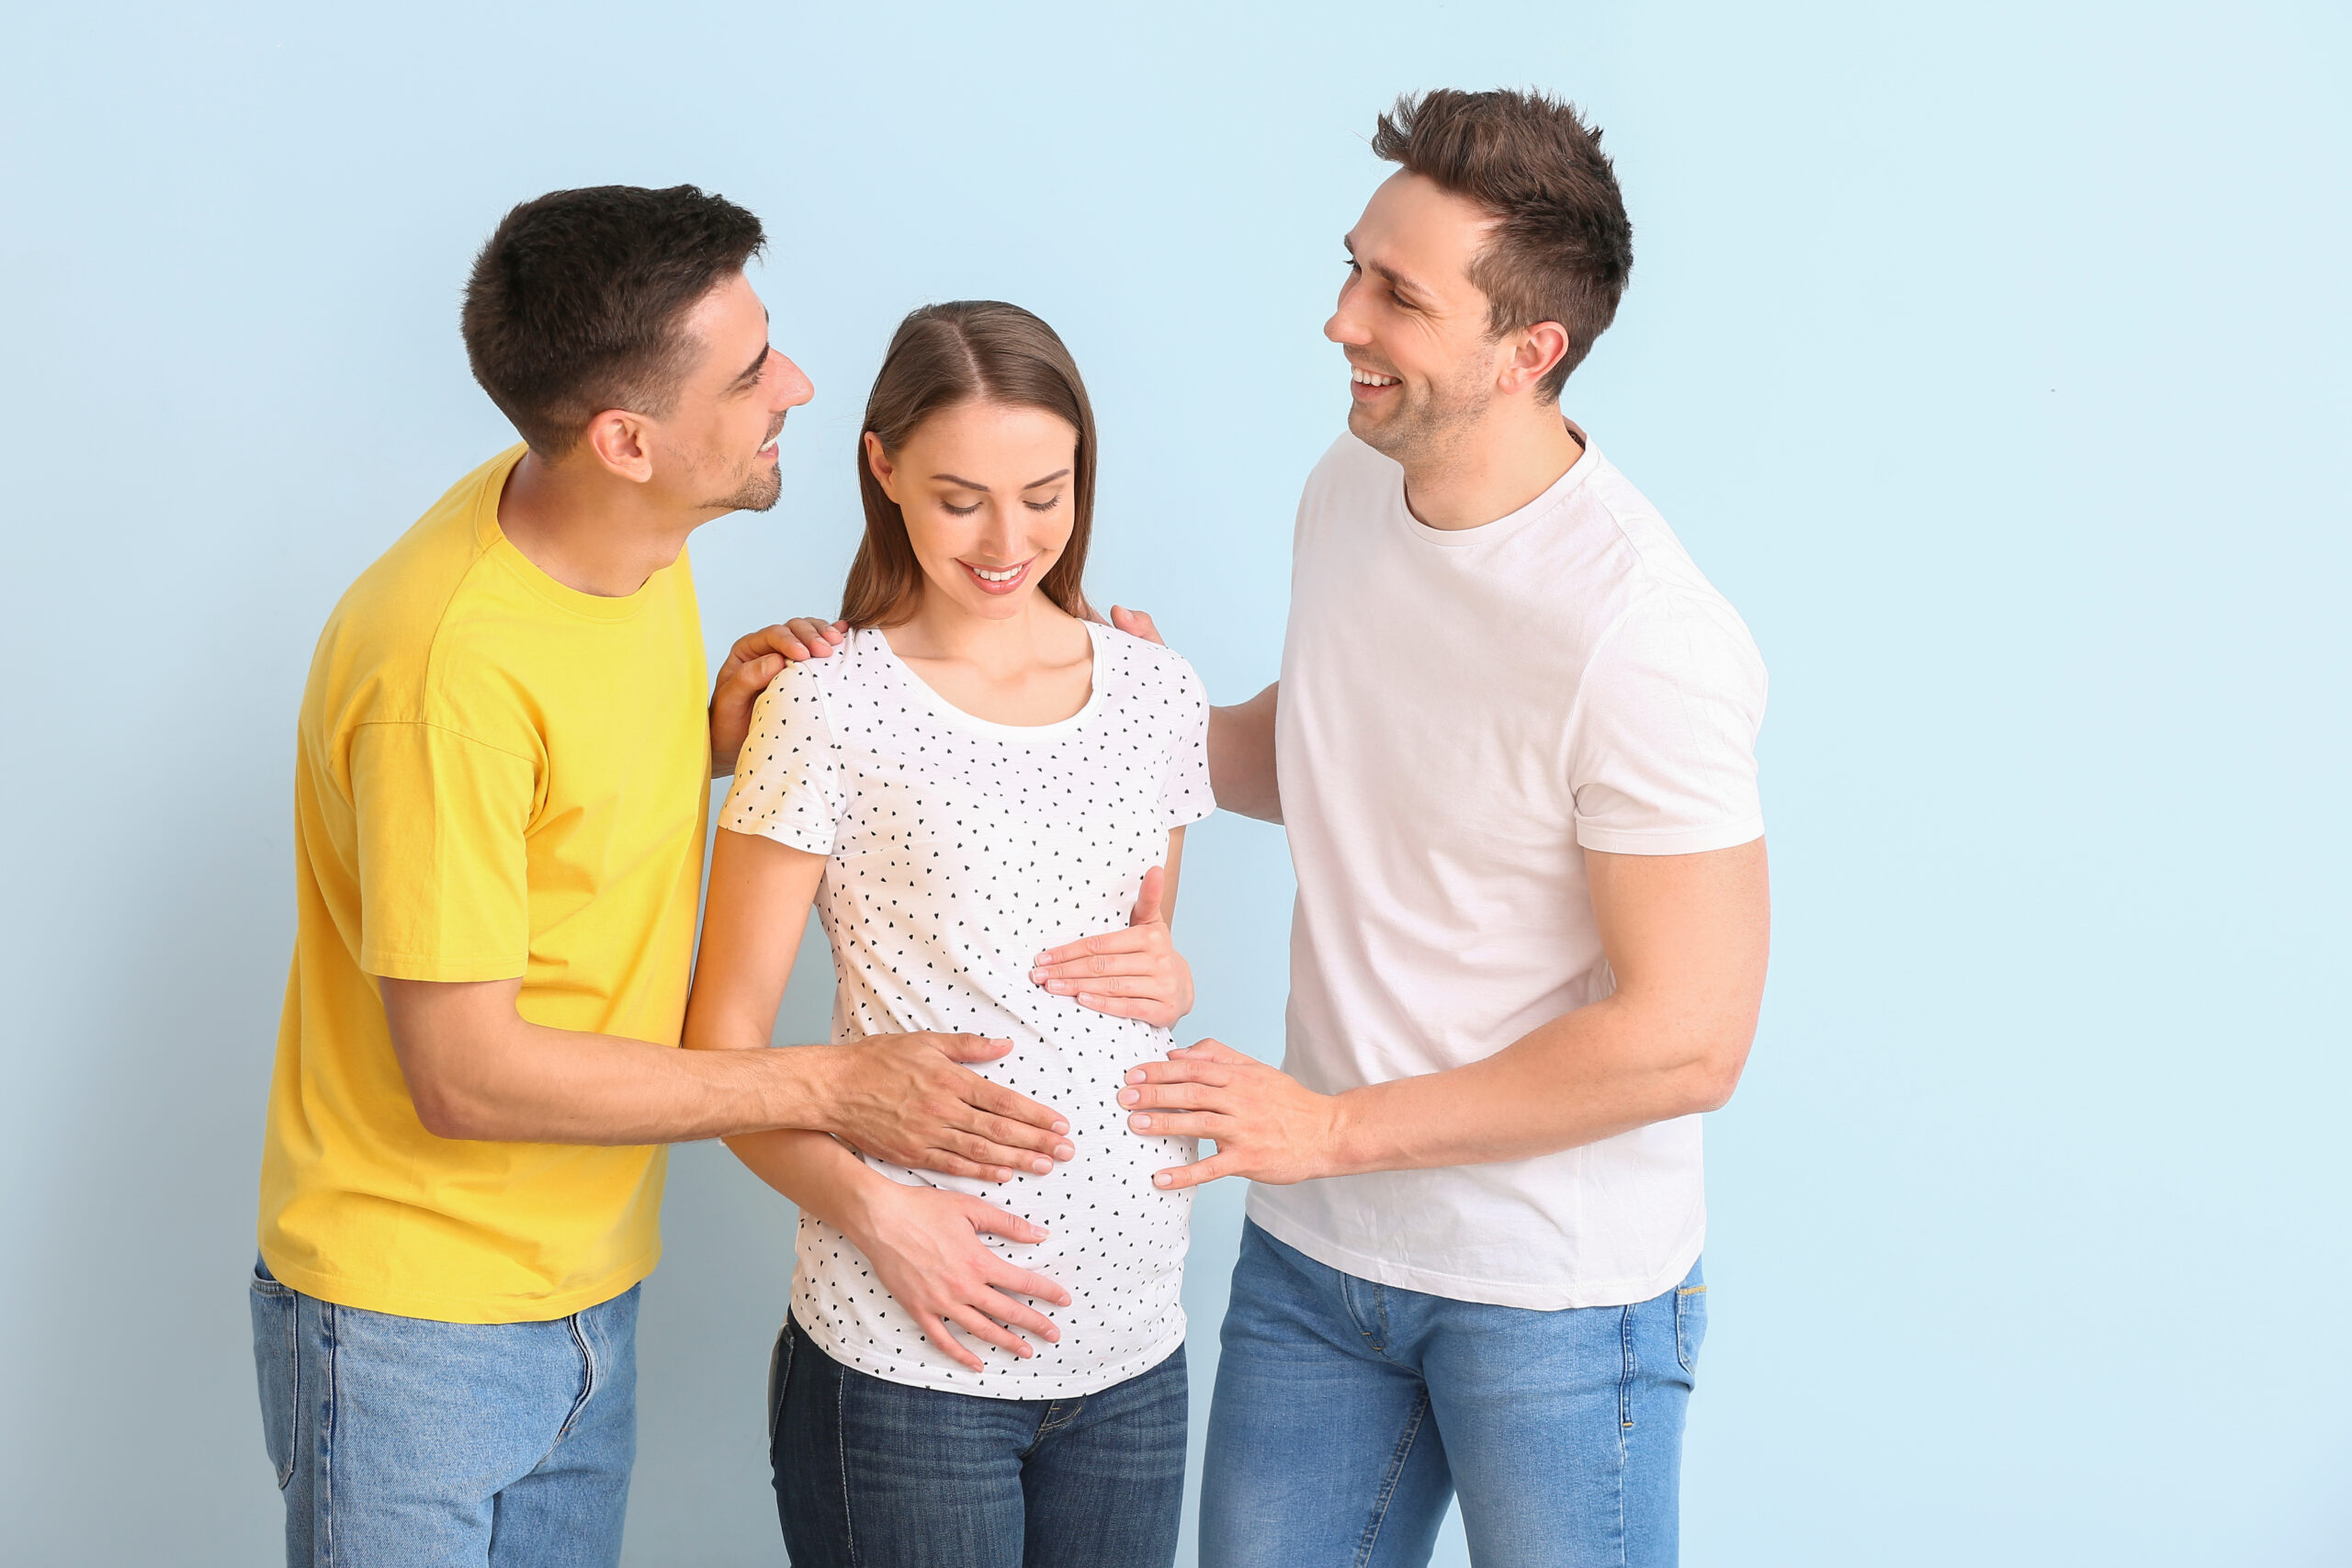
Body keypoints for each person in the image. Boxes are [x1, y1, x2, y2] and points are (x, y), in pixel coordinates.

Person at [249, 187, 1075, 1568]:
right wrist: (829, 1084)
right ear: (625, 439)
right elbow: (466, 1073)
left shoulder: (622, 543)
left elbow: (531, 814)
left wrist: (701, 743)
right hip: (415, 1329)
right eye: (752, 373)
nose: (796, 387)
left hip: (587, 1289)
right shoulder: (446, 669)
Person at [1117, 89, 1771, 1567]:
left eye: (1396, 295)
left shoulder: (1641, 635)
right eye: (1352, 267)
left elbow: (1690, 1038)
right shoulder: (1352, 489)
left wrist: (1329, 1128)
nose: (1341, 319)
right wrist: (1099, 700)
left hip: (1549, 1290)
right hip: (1318, 1264)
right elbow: (1326, 755)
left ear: (1529, 350)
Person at [682, 299, 1215, 1568]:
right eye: (961, 496)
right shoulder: (823, 708)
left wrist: (1173, 973)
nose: (1007, 540)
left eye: (1046, 493)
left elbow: (1133, 968)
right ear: (883, 469)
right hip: (905, 1355)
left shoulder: (1156, 689)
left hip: (1135, 1341)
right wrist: (883, 1218)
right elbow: (717, 1055)